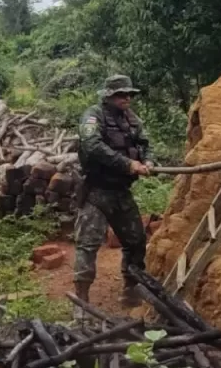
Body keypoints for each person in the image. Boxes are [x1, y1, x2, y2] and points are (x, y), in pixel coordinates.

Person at [73, 74, 155, 320]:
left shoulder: (132, 119)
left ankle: (131, 289)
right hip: (97, 192)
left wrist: (149, 160)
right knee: (87, 245)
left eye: (129, 94)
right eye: (121, 95)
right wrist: (128, 164)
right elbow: (92, 146)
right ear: (108, 96)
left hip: (121, 192)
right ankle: (81, 300)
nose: (126, 98)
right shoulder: (92, 116)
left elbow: (146, 143)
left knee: (136, 241)